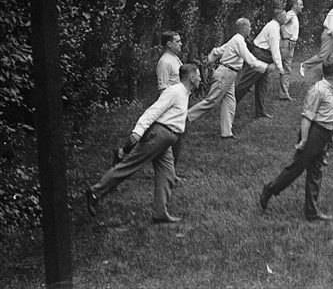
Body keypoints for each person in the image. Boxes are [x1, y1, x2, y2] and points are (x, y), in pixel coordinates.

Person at [85, 64, 200, 224]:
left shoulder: (185, 93)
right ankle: (95, 192)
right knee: (129, 166)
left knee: (167, 175)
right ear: (192, 78)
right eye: (198, 76)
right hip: (159, 135)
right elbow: (154, 110)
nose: (200, 79)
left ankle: (160, 213)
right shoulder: (174, 91)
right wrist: (138, 131)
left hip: (167, 139)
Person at [259, 58, 333, 221]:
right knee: (296, 168)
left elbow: (329, 115)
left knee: (316, 171)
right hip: (313, 134)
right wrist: (304, 140)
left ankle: (311, 211)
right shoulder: (318, 90)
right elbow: (307, 117)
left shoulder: (331, 89)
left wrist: (332, 133)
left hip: (323, 135)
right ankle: (269, 190)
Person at [188, 18, 276, 139]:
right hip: (225, 73)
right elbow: (251, 60)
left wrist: (207, 61)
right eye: (249, 27)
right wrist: (266, 67)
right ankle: (184, 118)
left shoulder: (235, 40)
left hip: (229, 74)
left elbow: (217, 51)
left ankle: (226, 133)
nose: (251, 29)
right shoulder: (238, 41)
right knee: (211, 101)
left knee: (230, 103)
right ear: (244, 28)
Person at [113, 31, 184, 171]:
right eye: (178, 41)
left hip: (176, 105)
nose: (181, 44)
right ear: (169, 44)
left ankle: (170, 171)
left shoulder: (175, 59)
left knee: (164, 136)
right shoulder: (164, 62)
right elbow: (163, 89)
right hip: (168, 106)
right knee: (154, 135)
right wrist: (171, 108)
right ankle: (123, 152)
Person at [235, 9, 286, 119]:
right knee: (245, 84)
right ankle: (229, 106)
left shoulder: (275, 26)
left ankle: (260, 112)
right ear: (278, 18)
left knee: (262, 86)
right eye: (284, 17)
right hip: (261, 55)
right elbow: (275, 48)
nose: (286, 19)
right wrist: (280, 67)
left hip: (264, 56)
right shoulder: (273, 28)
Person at [300, 0, 333, 76]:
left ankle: (331, 75)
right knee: (322, 56)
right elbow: (331, 26)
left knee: (332, 58)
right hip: (330, 37)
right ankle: (305, 65)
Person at [279, 0, 304, 100]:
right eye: (300, 5)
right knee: (284, 68)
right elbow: (280, 22)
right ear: (295, 5)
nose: (302, 7)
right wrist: (284, 33)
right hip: (287, 43)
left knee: (286, 68)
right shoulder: (290, 14)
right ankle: (284, 94)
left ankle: (284, 93)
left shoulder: (294, 16)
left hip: (291, 44)